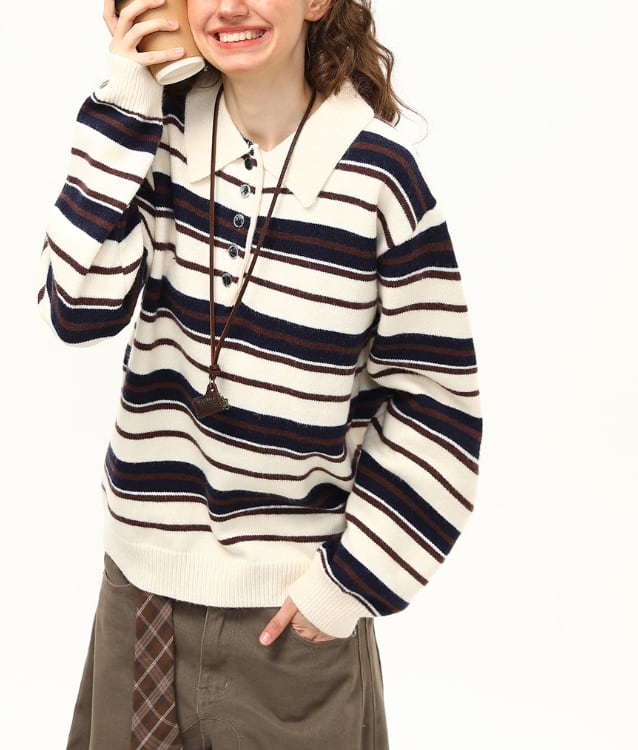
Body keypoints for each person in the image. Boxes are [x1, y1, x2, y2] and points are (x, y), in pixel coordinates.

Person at [38, 0, 482, 747]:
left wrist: (349, 584)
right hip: (141, 601)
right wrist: (127, 97)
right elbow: (75, 308)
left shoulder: (381, 180)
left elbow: (437, 405)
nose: (230, 6)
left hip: (296, 622)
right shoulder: (151, 140)